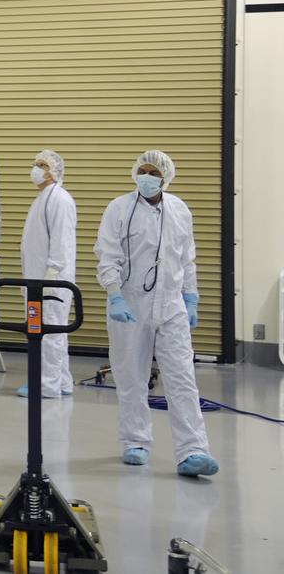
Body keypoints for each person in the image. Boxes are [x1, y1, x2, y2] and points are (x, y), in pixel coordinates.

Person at [94, 150, 218, 477]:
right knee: (131, 376)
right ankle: (135, 441)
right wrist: (115, 295)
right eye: (143, 170)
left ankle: (193, 450)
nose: (147, 177)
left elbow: (187, 257)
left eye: (154, 173)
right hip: (130, 303)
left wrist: (191, 297)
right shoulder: (119, 208)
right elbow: (107, 254)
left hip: (172, 303)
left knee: (182, 377)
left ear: (166, 178)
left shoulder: (179, 210)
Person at [18, 149, 76, 399]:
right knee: (54, 332)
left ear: (54, 171)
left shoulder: (59, 199)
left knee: (48, 333)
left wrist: (51, 275)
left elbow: (62, 242)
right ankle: (62, 382)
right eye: (36, 164)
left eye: (42, 165)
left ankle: (47, 386)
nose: (36, 169)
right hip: (39, 279)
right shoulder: (44, 198)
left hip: (50, 282)